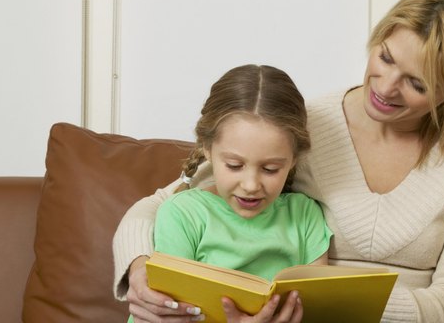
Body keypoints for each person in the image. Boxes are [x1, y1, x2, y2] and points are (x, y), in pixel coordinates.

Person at [113, 0, 444, 323]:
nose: (385, 87)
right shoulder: (311, 122)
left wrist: (337, 304)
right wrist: (139, 266)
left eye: (418, 84)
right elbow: (164, 203)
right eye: (385, 57)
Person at [119, 64, 332, 323]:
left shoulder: (305, 215)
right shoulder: (183, 213)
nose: (251, 184)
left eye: (270, 168)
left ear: (294, 159)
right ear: (207, 149)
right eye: (234, 166)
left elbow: (319, 310)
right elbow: (168, 313)